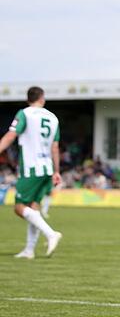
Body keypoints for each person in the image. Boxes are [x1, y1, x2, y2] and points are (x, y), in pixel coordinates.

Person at [0, 86, 63, 259]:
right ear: (42, 98)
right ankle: (29, 250)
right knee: (33, 208)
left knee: (19, 208)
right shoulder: (52, 117)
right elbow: (55, 147)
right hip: (47, 168)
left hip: (31, 168)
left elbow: (11, 135)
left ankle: (51, 234)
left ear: (28, 99)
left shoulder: (25, 114)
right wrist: (57, 171)